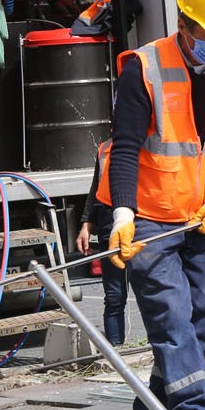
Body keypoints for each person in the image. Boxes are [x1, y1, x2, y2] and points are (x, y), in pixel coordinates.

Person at [99, 0, 205, 410]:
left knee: (202, 315)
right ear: (185, 25)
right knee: (171, 318)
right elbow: (124, 146)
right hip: (149, 219)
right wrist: (122, 211)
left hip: (201, 217)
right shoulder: (143, 68)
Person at [74, 141, 130, 346]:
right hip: (109, 226)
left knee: (152, 296)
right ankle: (115, 351)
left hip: (144, 226)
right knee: (114, 296)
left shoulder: (151, 141)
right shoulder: (105, 148)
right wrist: (86, 224)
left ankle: (162, 352)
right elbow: (95, 189)